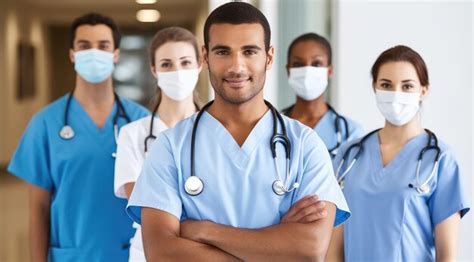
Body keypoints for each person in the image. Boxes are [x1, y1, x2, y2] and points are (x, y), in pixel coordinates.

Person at [127, 2, 349, 261]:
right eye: (223, 52)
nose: (237, 67)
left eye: (249, 51)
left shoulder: (305, 145)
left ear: (269, 57)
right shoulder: (171, 146)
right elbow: (162, 252)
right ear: (206, 57)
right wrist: (276, 242)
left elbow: (309, 249)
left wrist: (203, 231)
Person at [7, 13, 149, 261]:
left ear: (115, 54)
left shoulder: (142, 122)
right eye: (84, 46)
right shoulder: (46, 123)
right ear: (72, 54)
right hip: (72, 255)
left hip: (131, 254)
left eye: (103, 46)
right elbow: (38, 209)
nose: (93, 53)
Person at [327, 45, 470, 261]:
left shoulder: (441, 159)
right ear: (375, 87)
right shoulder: (349, 155)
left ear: (423, 90)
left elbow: (447, 255)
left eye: (407, 86)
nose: (396, 94)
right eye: (386, 85)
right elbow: (334, 248)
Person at [114, 26, 203, 261]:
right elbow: (144, 207)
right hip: (149, 252)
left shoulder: (218, 130)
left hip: (205, 252)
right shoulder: (132, 134)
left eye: (185, 62)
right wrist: (203, 220)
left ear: (200, 65)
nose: (177, 71)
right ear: (154, 70)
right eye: (166, 64)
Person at [283, 33, 364, 158]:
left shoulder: (350, 132)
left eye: (316, 64)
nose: (307, 71)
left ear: (329, 71)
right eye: (298, 64)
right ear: (288, 70)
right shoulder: (272, 126)